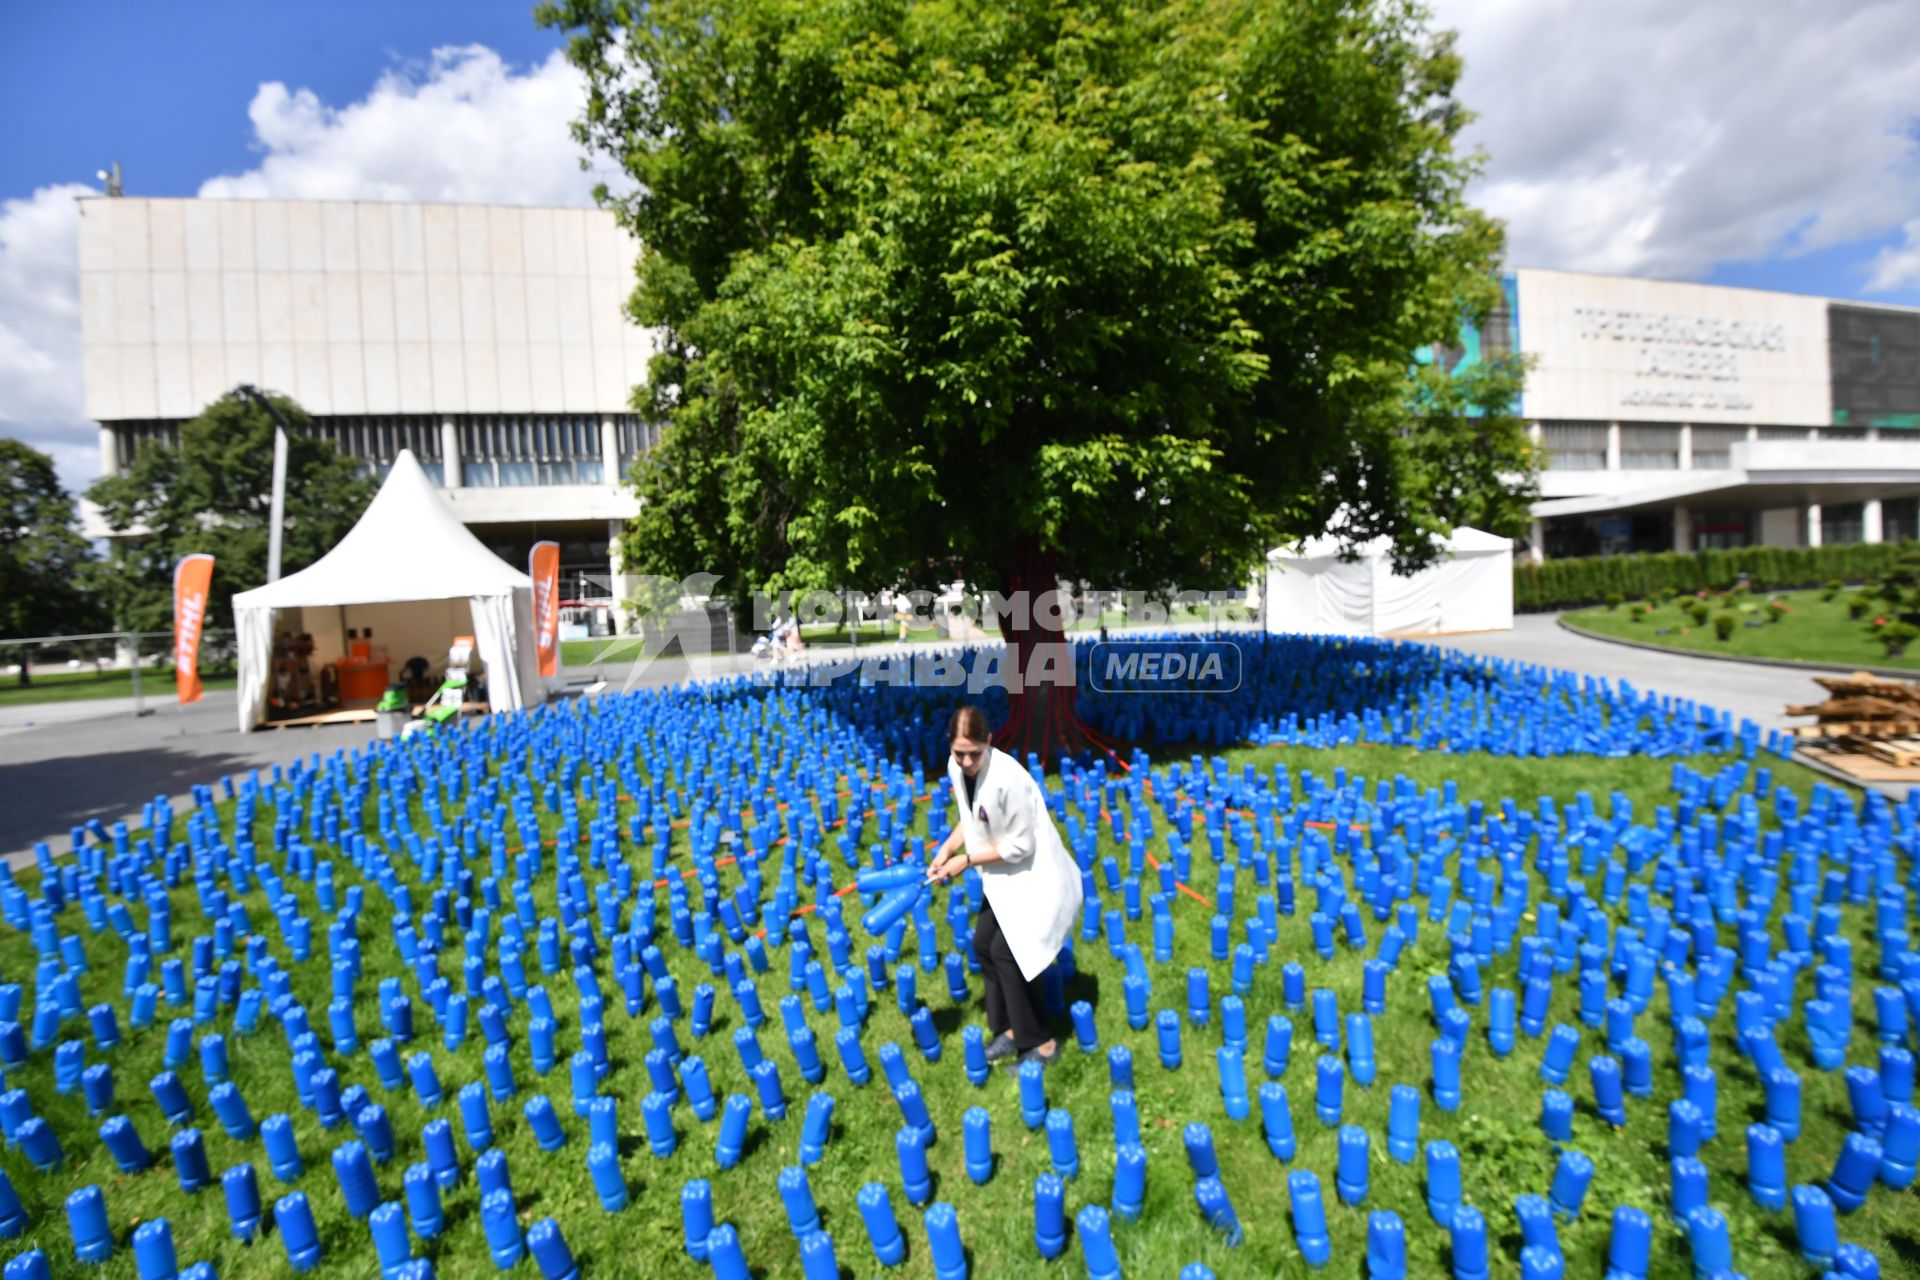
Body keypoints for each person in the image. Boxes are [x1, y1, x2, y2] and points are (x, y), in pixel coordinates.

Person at [926, 705, 1083, 1067]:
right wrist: (947, 848)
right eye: (959, 753)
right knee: (984, 944)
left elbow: (1020, 847)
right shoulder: (956, 769)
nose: (966, 762)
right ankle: (1010, 1029)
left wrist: (964, 861)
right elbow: (972, 817)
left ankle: (1041, 1042)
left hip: (1034, 875)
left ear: (990, 742)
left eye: (973, 753)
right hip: (1002, 875)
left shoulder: (1007, 778)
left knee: (1007, 953)